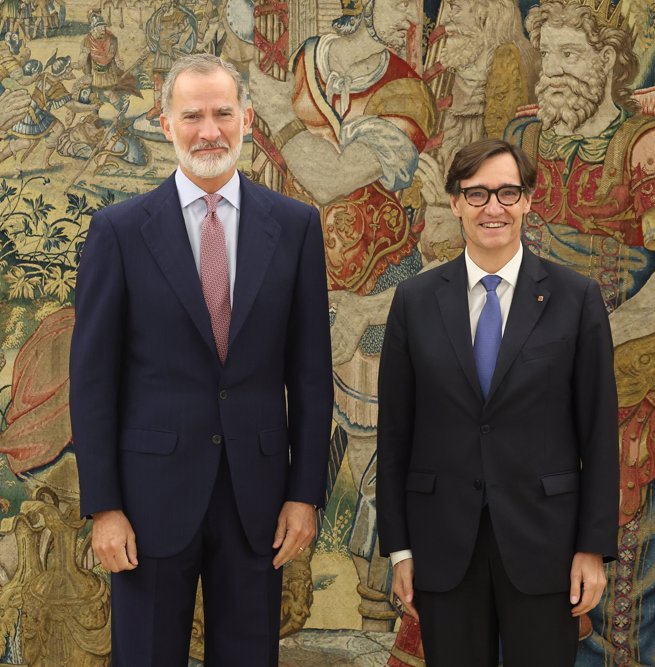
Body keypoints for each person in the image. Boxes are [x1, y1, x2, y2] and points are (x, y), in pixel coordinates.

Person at [69, 53, 333, 666]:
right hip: (147, 499)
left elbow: (312, 375)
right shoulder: (120, 230)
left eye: (221, 113)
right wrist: (104, 506)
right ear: (166, 125)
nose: (208, 130)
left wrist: (305, 494)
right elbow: (93, 380)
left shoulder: (294, 227)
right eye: (192, 116)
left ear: (246, 119)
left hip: (258, 500)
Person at [376, 138, 619, 667]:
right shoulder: (414, 302)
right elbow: (395, 434)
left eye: (508, 193)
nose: (494, 208)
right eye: (478, 194)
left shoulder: (575, 298)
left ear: (528, 200)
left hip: (546, 545)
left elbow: (599, 433)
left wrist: (592, 548)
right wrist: (400, 549)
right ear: (456, 202)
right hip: (443, 548)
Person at [506, 2, 655, 663]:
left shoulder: (651, 145)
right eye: (544, 56)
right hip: (529, 397)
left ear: (607, 62)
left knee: (620, 598)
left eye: (569, 56)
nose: (549, 71)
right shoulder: (524, 143)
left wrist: (595, 336)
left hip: (625, 395)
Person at [249, 0, 436, 630]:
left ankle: (380, 612)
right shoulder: (304, 62)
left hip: (372, 295)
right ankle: (270, 605)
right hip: (291, 293)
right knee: (269, 439)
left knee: (373, 456)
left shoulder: (407, 92)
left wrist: (273, 110)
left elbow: (330, 177)